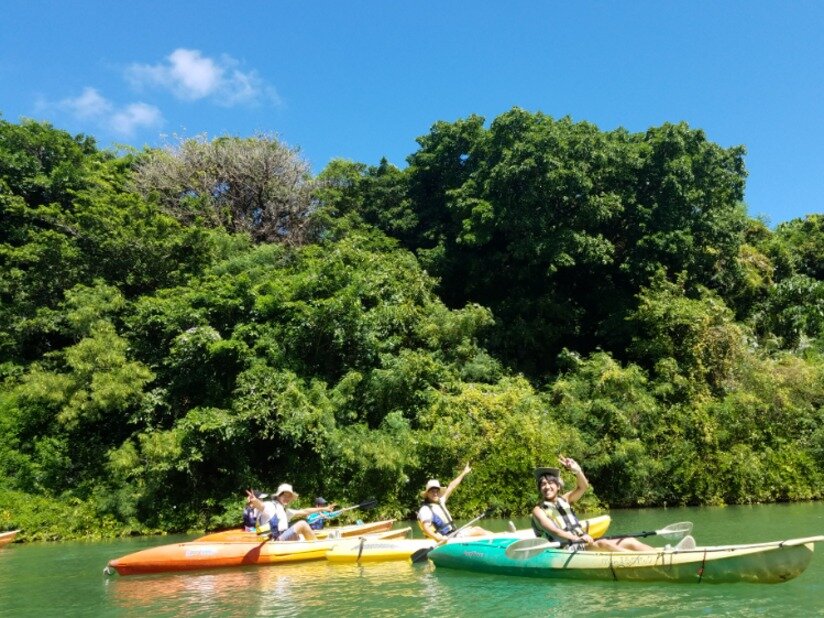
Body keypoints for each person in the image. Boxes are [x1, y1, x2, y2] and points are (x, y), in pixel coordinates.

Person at [531, 455, 653, 552]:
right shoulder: (538, 510)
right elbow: (554, 531)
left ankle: (661, 555)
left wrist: (577, 471)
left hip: (582, 543)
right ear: (539, 488)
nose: (547, 487)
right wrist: (578, 538)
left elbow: (583, 486)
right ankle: (639, 560)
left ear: (558, 486)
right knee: (602, 543)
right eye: (543, 484)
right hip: (565, 549)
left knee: (629, 541)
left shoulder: (565, 499)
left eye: (550, 483)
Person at [418, 463, 489, 542]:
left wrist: (464, 472)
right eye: (432, 492)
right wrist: (438, 538)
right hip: (447, 538)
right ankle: (501, 540)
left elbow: (452, 486)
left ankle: (502, 536)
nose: (435, 493)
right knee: (477, 531)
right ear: (427, 494)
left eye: (437, 491)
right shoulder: (425, 509)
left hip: (454, 533)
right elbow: (426, 527)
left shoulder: (441, 501)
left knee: (477, 528)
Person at [246, 484, 335, 542]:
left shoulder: (286, 511)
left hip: (281, 539)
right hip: (274, 541)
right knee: (302, 524)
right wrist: (254, 500)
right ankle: (319, 546)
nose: (287, 498)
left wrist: (324, 508)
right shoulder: (270, 505)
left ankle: (316, 543)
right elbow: (261, 506)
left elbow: (305, 511)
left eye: (289, 496)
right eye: (285, 495)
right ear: (278, 496)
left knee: (300, 536)